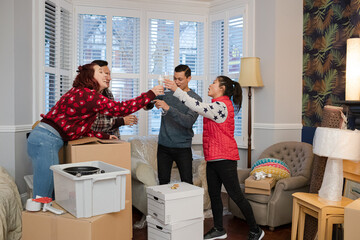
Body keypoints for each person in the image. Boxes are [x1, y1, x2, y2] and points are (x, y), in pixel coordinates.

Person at [27, 63, 163, 198]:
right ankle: (38, 219)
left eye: (106, 73)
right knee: (43, 196)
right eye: (101, 72)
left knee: (50, 192)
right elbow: (121, 109)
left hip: (45, 138)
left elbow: (79, 128)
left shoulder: (82, 93)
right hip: (46, 139)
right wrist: (151, 93)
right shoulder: (87, 95)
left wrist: (104, 136)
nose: (106, 76)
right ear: (89, 76)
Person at [165, 76, 264, 240]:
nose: (210, 85)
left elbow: (197, 106)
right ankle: (219, 228)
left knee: (236, 195)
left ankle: (256, 230)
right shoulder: (216, 105)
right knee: (214, 194)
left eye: (214, 83)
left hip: (225, 158)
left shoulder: (222, 106)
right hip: (213, 158)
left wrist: (177, 91)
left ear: (222, 88)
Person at [146, 64, 202, 185]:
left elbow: (188, 122)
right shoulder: (167, 93)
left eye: (180, 79)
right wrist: (151, 99)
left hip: (183, 148)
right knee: (163, 183)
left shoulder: (195, 99)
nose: (176, 82)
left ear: (189, 78)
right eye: (175, 78)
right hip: (163, 146)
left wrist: (168, 108)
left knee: (187, 183)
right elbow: (146, 105)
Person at [90, 60, 138, 139]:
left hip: (112, 141)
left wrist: (125, 117)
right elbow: (93, 125)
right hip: (95, 143)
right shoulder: (87, 95)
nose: (109, 78)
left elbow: (111, 114)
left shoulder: (108, 93)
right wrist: (121, 121)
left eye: (109, 74)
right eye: (106, 74)